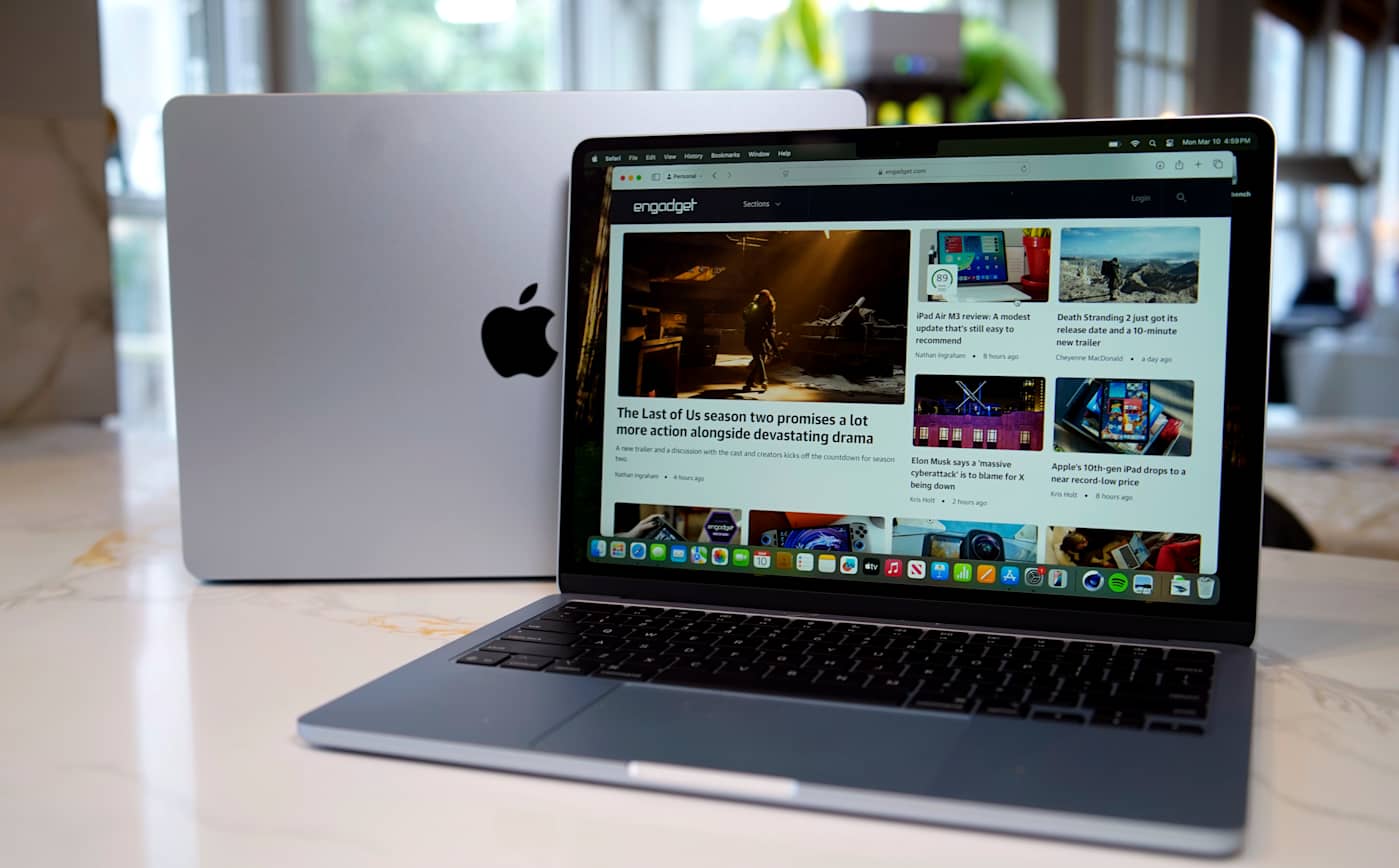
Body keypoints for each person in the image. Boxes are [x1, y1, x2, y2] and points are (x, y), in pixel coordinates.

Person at [741, 289, 776, 392]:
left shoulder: (768, 310)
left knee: (761, 357)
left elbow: (770, 326)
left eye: (765, 299)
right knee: (758, 357)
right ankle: (764, 380)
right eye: (762, 298)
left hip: (760, 338)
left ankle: (750, 380)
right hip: (751, 336)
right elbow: (745, 316)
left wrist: (768, 338)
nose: (763, 301)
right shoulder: (753, 306)